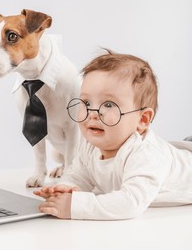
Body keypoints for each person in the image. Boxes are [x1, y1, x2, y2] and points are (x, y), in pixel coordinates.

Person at [34, 49, 192, 220]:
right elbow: (78, 175)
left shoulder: (145, 155)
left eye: (109, 104)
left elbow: (130, 202)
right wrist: (66, 188)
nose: (92, 113)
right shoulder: (90, 146)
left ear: (143, 119)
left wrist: (75, 206)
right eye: (86, 102)